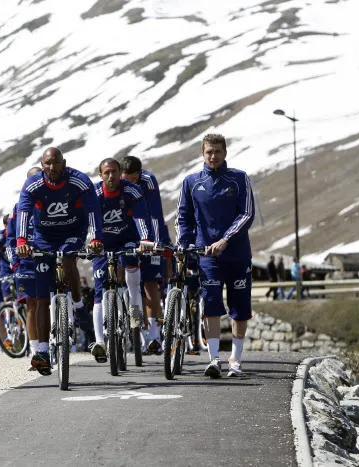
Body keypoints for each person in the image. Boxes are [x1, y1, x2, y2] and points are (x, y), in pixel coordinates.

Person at [16, 147, 104, 374]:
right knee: (41, 296)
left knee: (67, 259)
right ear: (42, 164)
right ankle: (43, 350)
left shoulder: (79, 181)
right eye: (47, 163)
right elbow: (23, 212)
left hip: (72, 232)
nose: (52, 168)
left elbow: (93, 211)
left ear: (63, 162)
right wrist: (21, 241)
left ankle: (75, 303)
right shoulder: (32, 184)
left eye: (55, 163)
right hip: (44, 237)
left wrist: (95, 238)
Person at [176, 133, 255, 378]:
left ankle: (236, 360)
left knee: (239, 307)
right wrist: (184, 243)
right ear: (202, 153)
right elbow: (183, 218)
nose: (213, 156)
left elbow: (246, 214)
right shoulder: (191, 182)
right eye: (209, 152)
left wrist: (226, 239)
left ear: (225, 153)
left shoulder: (240, 179)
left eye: (217, 151)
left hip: (238, 254)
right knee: (210, 305)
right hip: (207, 255)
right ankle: (213, 360)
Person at [89, 158, 153, 363]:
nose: (110, 176)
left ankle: (135, 315)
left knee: (132, 277)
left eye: (114, 172)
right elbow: (88, 220)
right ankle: (100, 342)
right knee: (99, 290)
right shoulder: (95, 195)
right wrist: (93, 241)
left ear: (120, 173)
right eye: (106, 173)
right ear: (100, 175)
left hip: (128, 239)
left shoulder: (132, 190)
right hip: (103, 243)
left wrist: (144, 240)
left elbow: (142, 217)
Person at [121, 156, 172, 355]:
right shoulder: (119, 180)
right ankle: (136, 332)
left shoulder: (148, 181)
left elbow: (156, 213)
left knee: (151, 285)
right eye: (126, 179)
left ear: (139, 174)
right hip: (126, 233)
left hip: (148, 234)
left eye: (133, 179)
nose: (129, 184)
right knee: (132, 288)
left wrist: (156, 242)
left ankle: (154, 335)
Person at [6, 167, 43, 365]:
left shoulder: (50, 203)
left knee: (48, 301)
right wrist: (15, 263)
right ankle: (35, 350)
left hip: (47, 259)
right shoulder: (17, 208)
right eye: (32, 180)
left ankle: (55, 342)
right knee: (31, 305)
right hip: (26, 264)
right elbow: (10, 239)